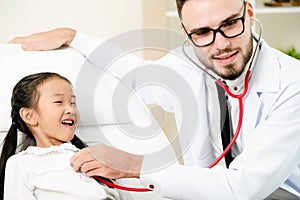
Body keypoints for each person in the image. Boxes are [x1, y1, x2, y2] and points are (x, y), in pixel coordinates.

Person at [8, 0, 300, 199]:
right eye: (202, 32)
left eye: (231, 24)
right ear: (186, 33)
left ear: (249, 12)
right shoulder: (190, 65)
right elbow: (137, 77)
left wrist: (135, 165)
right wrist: (74, 37)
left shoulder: (292, 84)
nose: (221, 44)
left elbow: (244, 188)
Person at [0, 72, 120, 200]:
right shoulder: (21, 164)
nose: (71, 110)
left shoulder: (89, 156)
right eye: (59, 102)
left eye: (73, 103)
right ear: (30, 116)